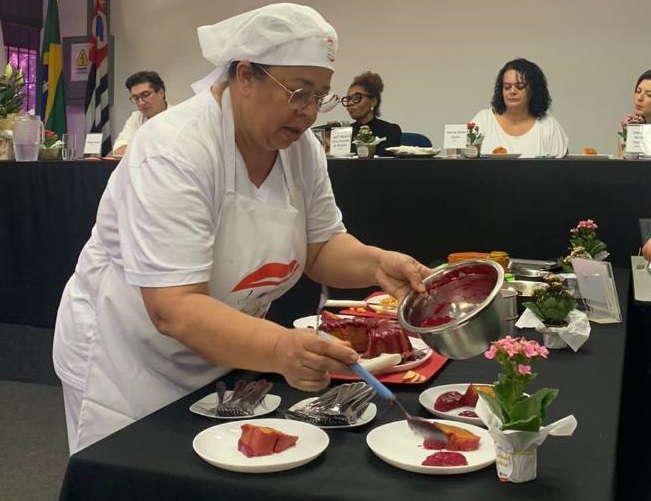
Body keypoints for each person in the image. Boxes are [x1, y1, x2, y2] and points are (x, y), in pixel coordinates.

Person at [53, 3, 432, 454]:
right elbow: (173, 308)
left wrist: (377, 263)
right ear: (245, 75)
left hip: (223, 351)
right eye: (298, 92)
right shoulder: (175, 149)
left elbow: (321, 246)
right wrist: (280, 350)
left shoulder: (300, 148)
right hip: (129, 362)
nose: (309, 112)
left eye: (320, 96)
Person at [470, 58, 568, 158]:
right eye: (507, 87)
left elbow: (563, 170)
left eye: (520, 86)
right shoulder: (483, 120)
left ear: (534, 90)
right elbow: (466, 165)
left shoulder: (548, 125)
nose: (512, 91)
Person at [342, 71, 402, 157]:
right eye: (348, 99)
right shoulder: (344, 133)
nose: (350, 103)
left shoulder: (390, 130)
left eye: (357, 98)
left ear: (373, 101)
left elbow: (387, 165)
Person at [112, 71, 169, 156]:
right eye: (136, 98)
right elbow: (119, 149)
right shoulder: (136, 117)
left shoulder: (179, 116)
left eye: (145, 95)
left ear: (161, 92)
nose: (141, 103)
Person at [617, 70, 651, 156]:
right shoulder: (628, 126)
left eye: (649, 95)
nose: (639, 98)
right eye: (638, 91)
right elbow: (622, 165)